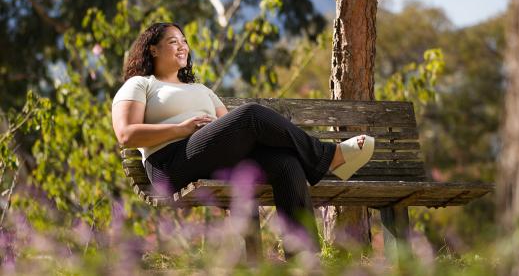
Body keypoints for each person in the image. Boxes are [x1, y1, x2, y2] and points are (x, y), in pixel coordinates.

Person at [111, 22, 374, 255]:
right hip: (169, 163)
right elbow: (126, 134)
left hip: (208, 155)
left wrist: (218, 132)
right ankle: (326, 158)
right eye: (173, 42)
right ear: (153, 49)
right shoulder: (141, 84)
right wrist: (181, 128)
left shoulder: (202, 90)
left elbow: (235, 130)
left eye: (184, 41)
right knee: (250, 114)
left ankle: (303, 259)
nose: (182, 47)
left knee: (285, 163)